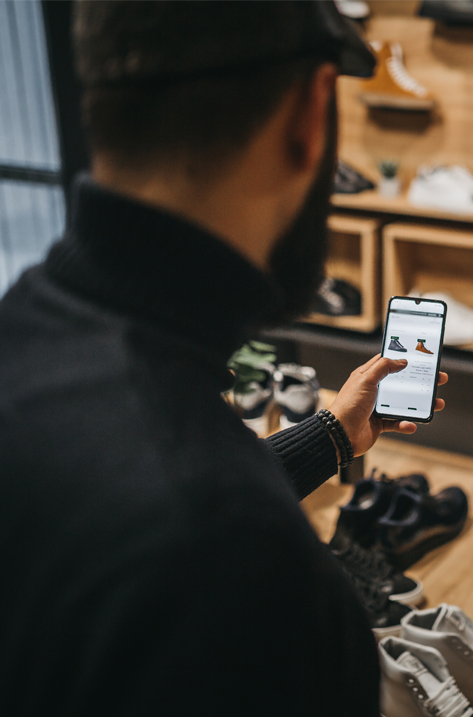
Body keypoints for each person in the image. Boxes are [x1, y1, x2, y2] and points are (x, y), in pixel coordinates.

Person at [0, 2, 447, 714]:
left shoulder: (25, 330)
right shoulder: (243, 561)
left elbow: (114, 490)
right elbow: (183, 505)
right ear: (312, 115)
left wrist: (331, 434)